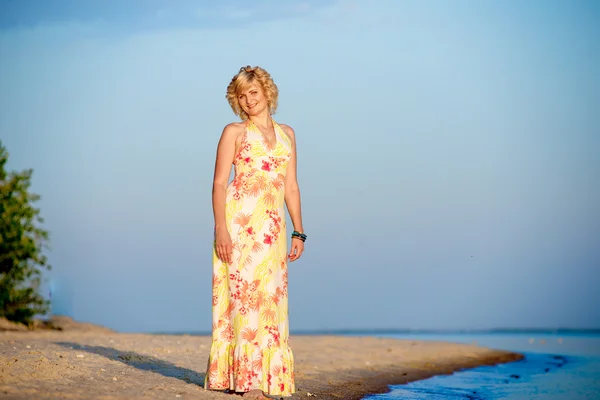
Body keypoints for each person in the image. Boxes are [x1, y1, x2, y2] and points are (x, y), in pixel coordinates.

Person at [204, 66, 306, 399]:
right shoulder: (234, 132)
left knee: (270, 302)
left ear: (266, 92)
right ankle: (247, 383)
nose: (249, 101)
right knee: (245, 301)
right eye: (242, 96)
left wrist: (298, 232)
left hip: (273, 231)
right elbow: (219, 184)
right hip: (239, 226)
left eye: (254, 93)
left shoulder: (288, 134)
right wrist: (221, 228)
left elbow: (290, 186)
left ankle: (267, 379)